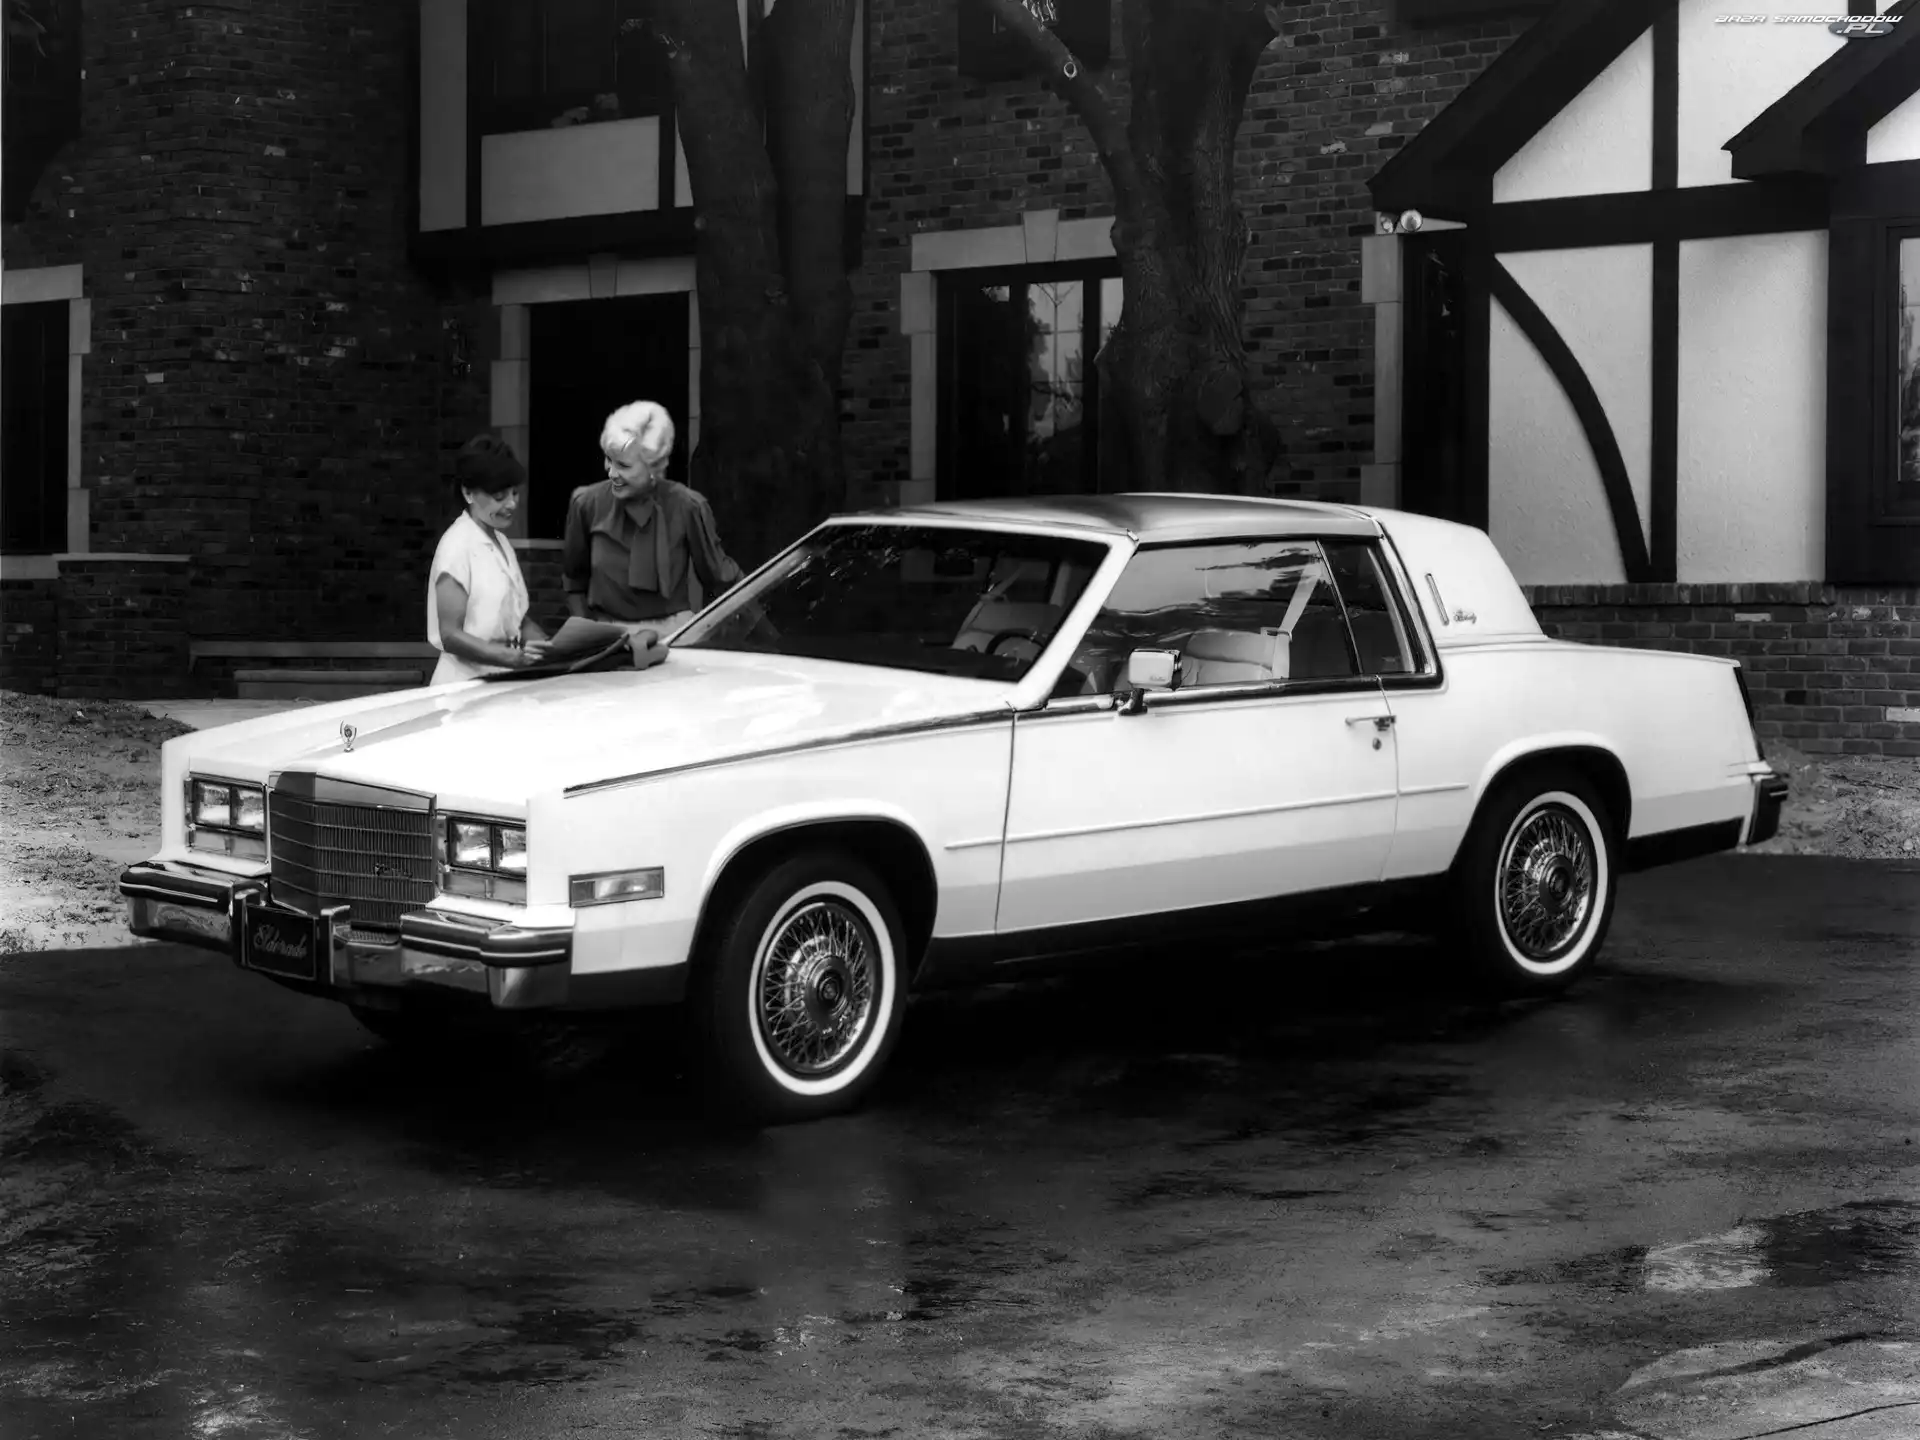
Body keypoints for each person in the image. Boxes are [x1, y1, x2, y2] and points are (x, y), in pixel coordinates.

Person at [562, 400, 742, 637]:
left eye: (623, 465)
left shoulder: (687, 505)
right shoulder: (587, 504)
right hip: (607, 635)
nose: (612, 473)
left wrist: (770, 639)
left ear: (653, 467)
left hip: (672, 634)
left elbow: (721, 578)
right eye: (608, 459)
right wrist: (587, 634)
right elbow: (574, 581)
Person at [426, 434, 551, 685]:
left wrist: (552, 649)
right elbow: (450, 634)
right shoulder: (457, 546)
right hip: (462, 685)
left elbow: (517, 620)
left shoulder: (501, 542)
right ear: (468, 493)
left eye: (515, 493)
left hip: (499, 679)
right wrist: (506, 657)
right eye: (500, 496)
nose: (512, 504)